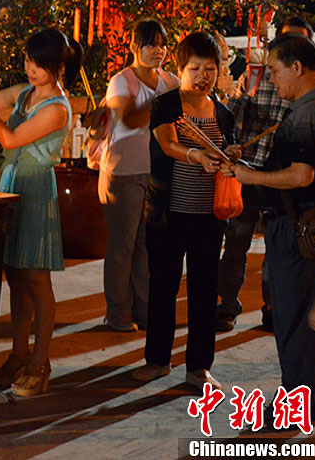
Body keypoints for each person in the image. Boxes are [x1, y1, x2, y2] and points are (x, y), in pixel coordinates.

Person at [0, 28, 81, 396]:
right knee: (14, 273)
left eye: (39, 64)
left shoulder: (58, 109)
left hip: (33, 188)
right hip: (10, 183)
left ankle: (39, 362)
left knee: (35, 278)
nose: (30, 69)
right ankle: (18, 354)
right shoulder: (25, 93)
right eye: (29, 61)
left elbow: (10, 139)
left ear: (58, 66)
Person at [225, 33, 315, 422]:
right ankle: (314, 398)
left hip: (297, 229)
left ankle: (296, 405)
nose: (271, 81)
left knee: (294, 319)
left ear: (297, 68)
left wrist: (252, 178)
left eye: (274, 71)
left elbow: (302, 175)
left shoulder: (307, 114)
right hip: (310, 229)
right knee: (306, 320)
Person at [132, 32, 238, 391]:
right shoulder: (166, 105)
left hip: (209, 216)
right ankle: (158, 360)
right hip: (168, 212)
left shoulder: (222, 113)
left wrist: (231, 158)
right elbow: (167, 143)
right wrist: (197, 155)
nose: (203, 76)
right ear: (181, 69)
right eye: (195, 68)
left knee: (205, 290)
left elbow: (228, 152)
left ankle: (199, 367)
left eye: (210, 68)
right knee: (162, 286)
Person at [215, 21, 300, 333]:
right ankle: (226, 305)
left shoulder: (310, 91)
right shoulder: (258, 75)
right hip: (248, 171)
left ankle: (271, 308)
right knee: (237, 240)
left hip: (282, 179)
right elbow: (230, 114)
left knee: (278, 246)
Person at [98, 19, 179, 332]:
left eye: (162, 44)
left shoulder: (170, 80)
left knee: (148, 244)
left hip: (155, 172)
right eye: (150, 44)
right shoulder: (122, 81)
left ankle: (144, 311)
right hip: (124, 172)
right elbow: (128, 119)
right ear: (134, 47)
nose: (157, 50)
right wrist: (164, 103)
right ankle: (118, 312)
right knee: (123, 245)